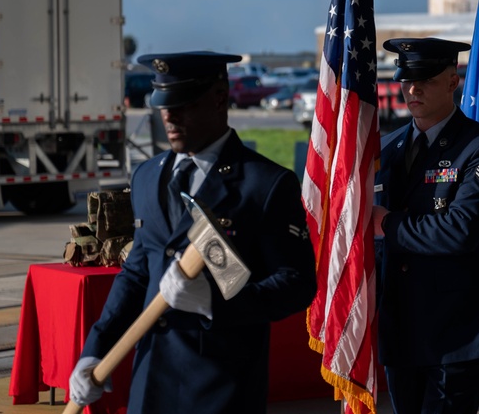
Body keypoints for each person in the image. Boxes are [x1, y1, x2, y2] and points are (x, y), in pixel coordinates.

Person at [69, 51, 317, 413]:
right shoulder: (147, 177)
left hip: (219, 387)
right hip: (151, 381)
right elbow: (137, 273)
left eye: (183, 103)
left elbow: (296, 284)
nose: (168, 114)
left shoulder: (264, 184)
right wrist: (95, 350)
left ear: (219, 98)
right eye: (163, 104)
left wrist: (213, 303)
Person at [371, 38, 479, 414]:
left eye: (426, 80)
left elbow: (461, 231)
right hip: (401, 324)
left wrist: (390, 225)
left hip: (455, 328)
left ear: (452, 81)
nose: (412, 89)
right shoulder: (387, 148)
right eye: (406, 79)